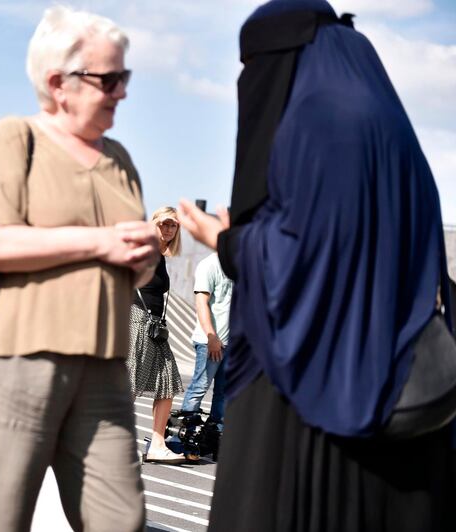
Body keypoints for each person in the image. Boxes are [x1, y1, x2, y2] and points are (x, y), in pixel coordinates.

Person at [177, 1, 456, 530]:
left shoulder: (323, 121)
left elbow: (306, 260)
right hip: (398, 400)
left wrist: (229, 241)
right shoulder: (384, 123)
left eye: (254, 66)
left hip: (316, 404)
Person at [0, 6, 159, 531]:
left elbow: (134, 272)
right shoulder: (17, 138)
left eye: (123, 77)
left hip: (106, 368)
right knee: (1, 520)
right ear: (59, 82)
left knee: (122, 520)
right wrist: (101, 243)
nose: (121, 91)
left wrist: (144, 260)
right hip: (20, 363)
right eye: (109, 79)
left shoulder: (121, 158)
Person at [126, 206, 184, 464]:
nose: (169, 229)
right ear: (154, 224)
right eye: (164, 224)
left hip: (154, 326)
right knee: (130, 383)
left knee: (167, 381)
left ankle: (157, 445)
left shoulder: (160, 256)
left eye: (173, 225)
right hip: (138, 320)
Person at [178, 252, 231, 426]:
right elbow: (201, 303)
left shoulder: (239, 266)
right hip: (210, 342)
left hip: (232, 343)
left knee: (223, 392)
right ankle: (183, 439)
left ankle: (215, 437)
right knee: (199, 388)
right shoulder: (209, 264)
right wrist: (211, 336)